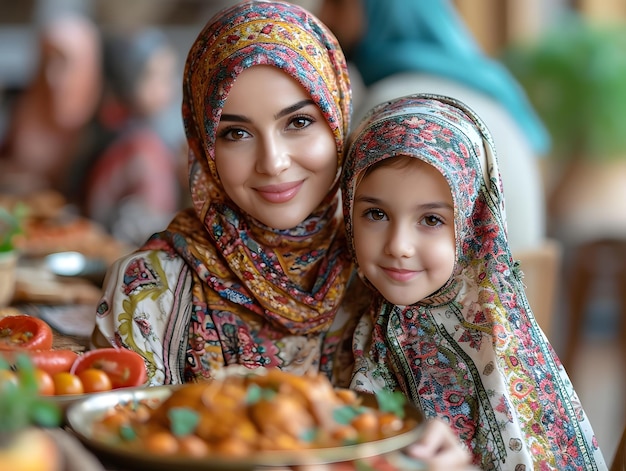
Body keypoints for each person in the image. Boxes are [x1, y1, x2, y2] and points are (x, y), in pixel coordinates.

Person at [91, 3, 475, 468]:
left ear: (338, 119)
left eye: (298, 122)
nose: (272, 162)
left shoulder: (388, 269)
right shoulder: (151, 290)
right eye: (235, 133)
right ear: (203, 145)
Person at [340, 93, 607, 470]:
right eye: (376, 213)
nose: (398, 246)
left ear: (471, 224)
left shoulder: (492, 343)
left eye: (431, 220)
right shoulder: (348, 308)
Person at [317, 0, 549, 254]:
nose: (322, 16)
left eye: (337, 4)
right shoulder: (485, 90)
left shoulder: (399, 103)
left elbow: (339, 231)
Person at [79, 27, 183, 247]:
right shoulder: (140, 146)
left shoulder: (146, 133)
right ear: (127, 78)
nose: (169, 87)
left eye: (169, 75)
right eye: (154, 77)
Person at [0, 11, 102, 197]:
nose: (51, 75)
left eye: (63, 61)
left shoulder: (102, 124)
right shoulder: (24, 108)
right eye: (46, 60)